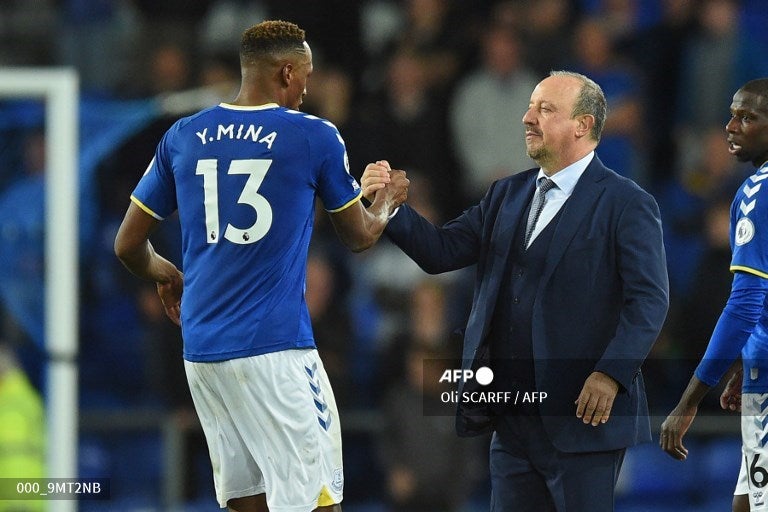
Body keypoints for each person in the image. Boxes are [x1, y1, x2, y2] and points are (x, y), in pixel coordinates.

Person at [113, 20, 409, 512]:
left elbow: (127, 245)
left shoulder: (183, 135)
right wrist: (385, 202)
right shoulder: (313, 135)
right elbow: (359, 236)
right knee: (319, 503)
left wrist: (166, 274)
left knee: (248, 503)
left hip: (203, 353)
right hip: (276, 351)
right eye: (306, 76)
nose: (308, 89)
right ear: (287, 72)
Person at [362, 70, 669, 511]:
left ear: (582, 125)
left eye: (545, 109)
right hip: (512, 421)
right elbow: (440, 252)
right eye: (530, 107)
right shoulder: (506, 194)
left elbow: (649, 301)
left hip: (583, 418)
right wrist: (391, 207)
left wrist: (611, 373)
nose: (528, 117)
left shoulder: (627, 202)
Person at [660, 78, 768, 512]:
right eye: (731, 115)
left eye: (747, 117)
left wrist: (689, 401)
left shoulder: (758, 192)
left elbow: (744, 304)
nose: (731, 126)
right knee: (746, 504)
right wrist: (748, 358)